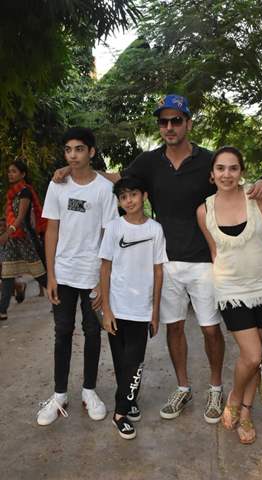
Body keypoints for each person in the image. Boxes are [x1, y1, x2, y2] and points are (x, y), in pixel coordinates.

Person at [54, 94, 262, 424]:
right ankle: (183, 387)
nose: (169, 127)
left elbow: (234, 180)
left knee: (211, 330)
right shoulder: (148, 162)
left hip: (205, 262)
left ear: (188, 123)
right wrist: (70, 170)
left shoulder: (209, 161)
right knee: (175, 328)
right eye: (163, 122)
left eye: (176, 120)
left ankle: (214, 388)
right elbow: (116, 180)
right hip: (167, 261)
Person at [197, 146, 262, 444]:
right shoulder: (204, 210)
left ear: (241, 172)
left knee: (256, 354)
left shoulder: (259, 199)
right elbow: (215, 252)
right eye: (221, 168)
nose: (227, 174)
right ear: (212, 175)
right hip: (231, 290)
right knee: (252, 355)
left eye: (233, 168)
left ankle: (246, 411)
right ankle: (235, 398)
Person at [37, 127, 118, 426]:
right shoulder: (57, 185)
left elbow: (108, 234)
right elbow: (52, 230)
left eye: (79, 149)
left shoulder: (103, 189)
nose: (73, 155)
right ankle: (59, 395)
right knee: (62, 332)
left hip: (92, 274)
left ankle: (89, 391)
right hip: (65, 272)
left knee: (93, 332)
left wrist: (102, 279)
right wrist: (51, 275)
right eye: (68, 149)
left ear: (91, 152)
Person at [99, 176, 168, 439]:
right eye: (123, 197)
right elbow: (104, 268)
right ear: (119, 202)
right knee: (121, 363)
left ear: (144, 196)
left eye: (133, 195)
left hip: (141, 309)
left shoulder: (155, 230)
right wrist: (106, 309)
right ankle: (128, 401)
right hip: (117, 308)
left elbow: (158, 271)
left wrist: (155, 310)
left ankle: (119, 413)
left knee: (135, 362)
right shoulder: (114, 228)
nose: (129, 201)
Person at [0, 161, 47, 321]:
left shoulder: (25, 192)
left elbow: (20, 217)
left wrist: (7, 233)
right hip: (12, 240)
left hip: (25, 239)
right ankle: (2, 310)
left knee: (40, 274)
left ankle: (59, 300)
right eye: (9, 171)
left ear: (23, 174)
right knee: (7, 274)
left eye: (14, 171)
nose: (10, 174)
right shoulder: (11, 194)